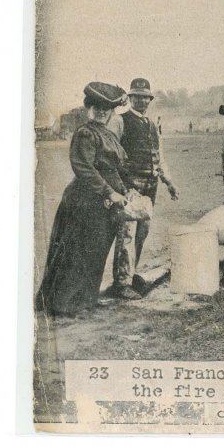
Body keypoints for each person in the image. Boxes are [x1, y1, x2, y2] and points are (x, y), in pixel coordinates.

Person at [36, 82, 130, 316]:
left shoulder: (107, 133)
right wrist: (109, 192)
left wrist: (124, 190)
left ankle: (86, 300)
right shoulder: (85, 133)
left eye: (106, 109)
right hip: (84, 201)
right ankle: (65, 304)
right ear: (89, 107)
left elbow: (113, 167)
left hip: (103, 202)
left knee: (96, 251)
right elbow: (85, 169)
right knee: (78, 251)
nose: (101, 112)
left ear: (111, 112)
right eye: (97, 107)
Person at [112, 78, 179, 299]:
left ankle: (131, 275)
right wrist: (119, 186)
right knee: (127, 233)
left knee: (142, 232)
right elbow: (110, 154)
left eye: (145, 97)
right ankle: (121, 282)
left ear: (149, 100)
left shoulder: (151, 125)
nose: (141, 100)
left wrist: (169, 182)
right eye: (137, 96)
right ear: (130, 98)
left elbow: (159, 158)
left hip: (150, 188)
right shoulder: (119, 121)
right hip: (130, 188)